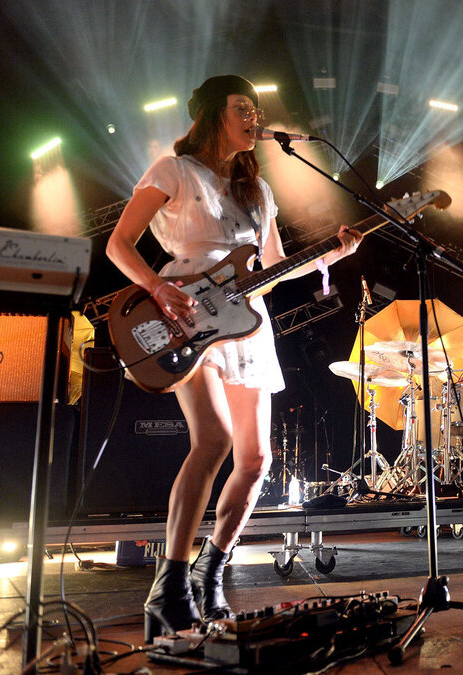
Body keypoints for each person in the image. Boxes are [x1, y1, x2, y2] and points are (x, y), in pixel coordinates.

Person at [106, 75, 360, 642]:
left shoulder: (259, 191)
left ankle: (210, 571)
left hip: (244, 321)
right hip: (182, 312)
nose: (254, 115)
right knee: (213, 441)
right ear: (212, 114)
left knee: (256, 460)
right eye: (243, 106)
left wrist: (332, 255)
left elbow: (273, 269)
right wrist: (155, 287)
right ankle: (167, 587)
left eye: (257, 108)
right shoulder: (174, 171)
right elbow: (117, 243)